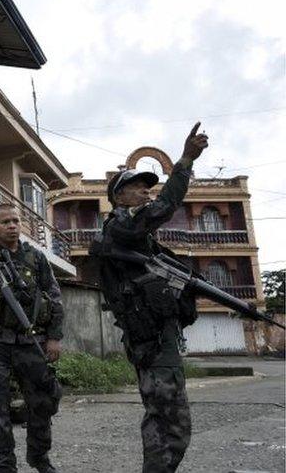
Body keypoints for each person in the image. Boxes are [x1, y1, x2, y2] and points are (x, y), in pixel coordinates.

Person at [93, 123, 209, 473]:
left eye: (148, 188)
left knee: (169, 423)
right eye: (137, 188)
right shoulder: (122, 228)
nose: (146, 193)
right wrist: (186, 160)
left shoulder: (143, 243)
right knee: (169, 425)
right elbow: (163, 207)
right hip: (151, 341)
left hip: (159, 337)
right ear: (118, 198)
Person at [0, 203, 64, 473]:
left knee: (42, 402)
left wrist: (54, 337)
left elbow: (54, 297)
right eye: (5, 222)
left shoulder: (36, 258)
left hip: (31, 341)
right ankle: (5, 465)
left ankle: (39, 457)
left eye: (16, 221)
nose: (12, 226)